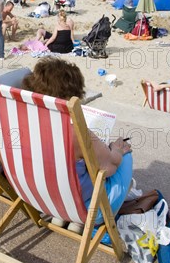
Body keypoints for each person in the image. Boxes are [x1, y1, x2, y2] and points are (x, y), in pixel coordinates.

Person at [22, 57, 133, 231]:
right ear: (70, 97)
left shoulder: (20, 122)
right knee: (125, 159)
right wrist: (117, 149)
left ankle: (60, 217)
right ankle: (78, 220)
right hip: (83, 208)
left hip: (40, 198)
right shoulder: (77, 134)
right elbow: (109, 167)